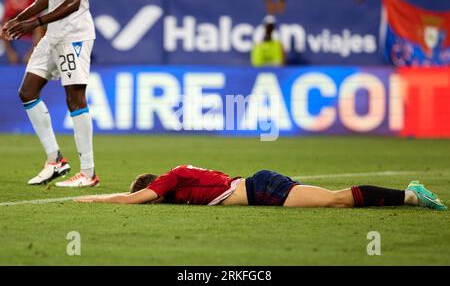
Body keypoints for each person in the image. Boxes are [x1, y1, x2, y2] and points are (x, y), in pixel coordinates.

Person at [0, 0, 99, 187]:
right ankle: (56, 160)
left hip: (74, 35)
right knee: (27, 92)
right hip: (53, 35)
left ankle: (88, 173)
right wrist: (19, 18)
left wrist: (35, 22)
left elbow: (74, 1)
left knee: (75, 98)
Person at [74, 165, 447, 211]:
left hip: (263, 190)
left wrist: (89, 196)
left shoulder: (168, 180)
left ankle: (411, 194)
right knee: (335, 202)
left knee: (337, 201)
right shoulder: (183, 176)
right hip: (260, 185)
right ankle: (409, 194)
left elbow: (128, 199)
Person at [1, 0, 43, 64]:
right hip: (26, 7)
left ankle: (12, 54)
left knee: (5, 25)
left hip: (13, 8)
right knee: (38, 24)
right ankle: (31, 54)